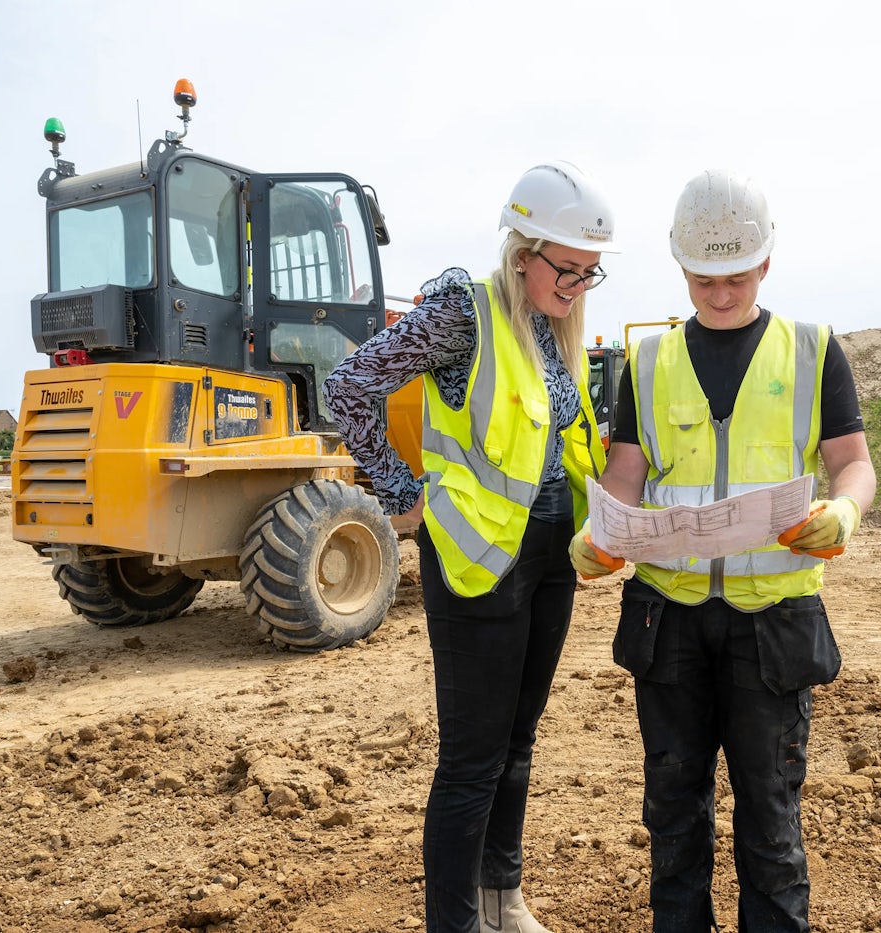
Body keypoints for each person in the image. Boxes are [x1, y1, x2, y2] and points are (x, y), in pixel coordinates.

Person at [570, 169, 877, 932]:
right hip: (667, 622)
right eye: (705, 276)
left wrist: (845, 509)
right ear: (681, 266)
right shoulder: (648, 362)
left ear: (766, 263)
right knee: (673, 814)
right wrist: (600, 533)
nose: (721, 291)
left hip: (771, 623)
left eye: (736, 275)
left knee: (771, 822)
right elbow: (626, 475)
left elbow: (853, 460)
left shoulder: (812, 351)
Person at [324, 161, 617, 933]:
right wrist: (401, 494)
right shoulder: (465, 311)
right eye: (568, 269)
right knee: (470, 764)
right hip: (477, 561)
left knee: (517, 743)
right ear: (523, 251)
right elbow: (350, 385)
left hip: (550, 552)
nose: (578, 286)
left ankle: (501, 900)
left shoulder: (557, 328)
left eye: (592, 274)